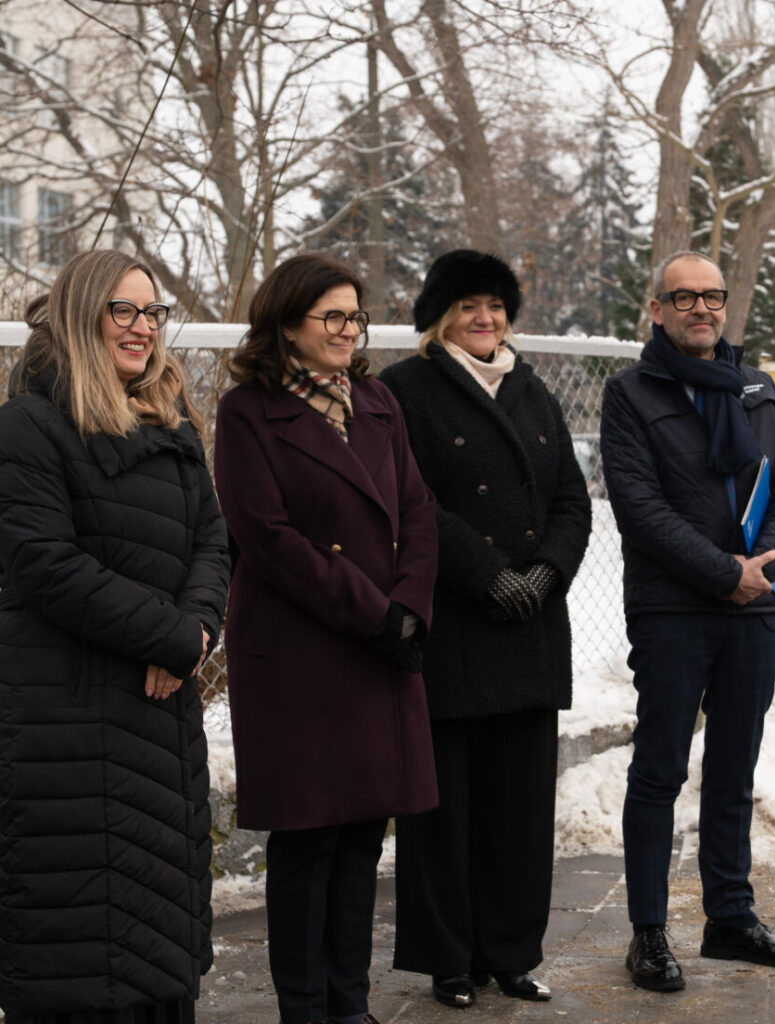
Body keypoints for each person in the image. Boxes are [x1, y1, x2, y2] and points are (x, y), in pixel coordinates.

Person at [0, 250, 229, 1022]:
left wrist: (194, 631)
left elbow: (212, 543)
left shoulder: (172, 424)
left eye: (153, 312)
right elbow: (44, 563)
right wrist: (166, 635)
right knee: (81, 955)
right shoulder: (31, 425)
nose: (142, 328)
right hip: (68, 726)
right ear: (81, 315)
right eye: (122, 310)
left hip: (160, 726)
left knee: (160, 948)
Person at [213, 253, 439, 1024]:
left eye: (355, 317)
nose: (348, 330)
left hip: (380, 651)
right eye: (332, 317)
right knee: (308, 847)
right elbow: (268, 538)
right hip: (301, 658)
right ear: (286, 325)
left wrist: (409, 608)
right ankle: (304, 1010)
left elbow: (416, 513)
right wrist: (374, 613)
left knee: (361, 843)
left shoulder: (377, 402)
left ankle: (352, 1004)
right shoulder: (248, 411)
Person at [378, 249, 591, 1009]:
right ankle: (450, 960)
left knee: (521, 811)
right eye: (469, 305)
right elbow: (410, 502)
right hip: (456, 630)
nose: (485, 318)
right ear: (439, 316)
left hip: (531, 629)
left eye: (496, 306)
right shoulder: (402, 391)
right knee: (446, 815)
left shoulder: (532, 389)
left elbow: (573, 498)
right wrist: (487, 573)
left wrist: (547, 573)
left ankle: (511, 952)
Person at [599, 250, 775, 992]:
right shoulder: (630, 392)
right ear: (655, 310)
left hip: (756, 610)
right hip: (673, 611)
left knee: (734, 769)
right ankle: (649, 933)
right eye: (684, 297)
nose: (702, 308)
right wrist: (726, 573)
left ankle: (730, 918)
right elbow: (640, 506)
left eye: (713, 296)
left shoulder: (756, 388)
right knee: (658, 771)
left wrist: (766, 567)